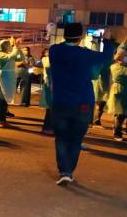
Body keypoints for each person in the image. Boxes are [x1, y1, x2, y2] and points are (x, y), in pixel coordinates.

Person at [49, 23, 114, 185]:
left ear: (64, 36)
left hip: (60, 101)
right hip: (83, 102)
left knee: (61, 138)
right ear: (80, 38)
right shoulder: (85, 54)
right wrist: (106, 40)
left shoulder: (54, 51)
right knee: (76, 138)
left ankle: (63, 171)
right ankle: (69, 171)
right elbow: (106, 57)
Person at [0, 38, 23, 127]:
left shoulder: (8, 53)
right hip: (2, 77)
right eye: (8, 44)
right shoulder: (1, 54)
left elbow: (20, 58)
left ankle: (2, 119)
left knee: (4, 99)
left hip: (8, 77)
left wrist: (19, 48)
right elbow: (11, 57)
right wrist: (16, 47)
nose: (9, 46)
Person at [92, 37, 118, 127]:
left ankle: (96, 119)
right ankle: (95, 119)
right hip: (99, 82)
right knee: (98, 101)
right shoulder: (105, 58)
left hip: (105, 82)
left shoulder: (110, 59)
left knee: (101, 102)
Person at [38, 48, 53, 134]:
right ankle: (47, 128)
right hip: (49, 84)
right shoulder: (45, 59)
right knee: (50, 107)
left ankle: (49, 127)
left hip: (52, 84)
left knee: (52, 108)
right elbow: (47, 66)